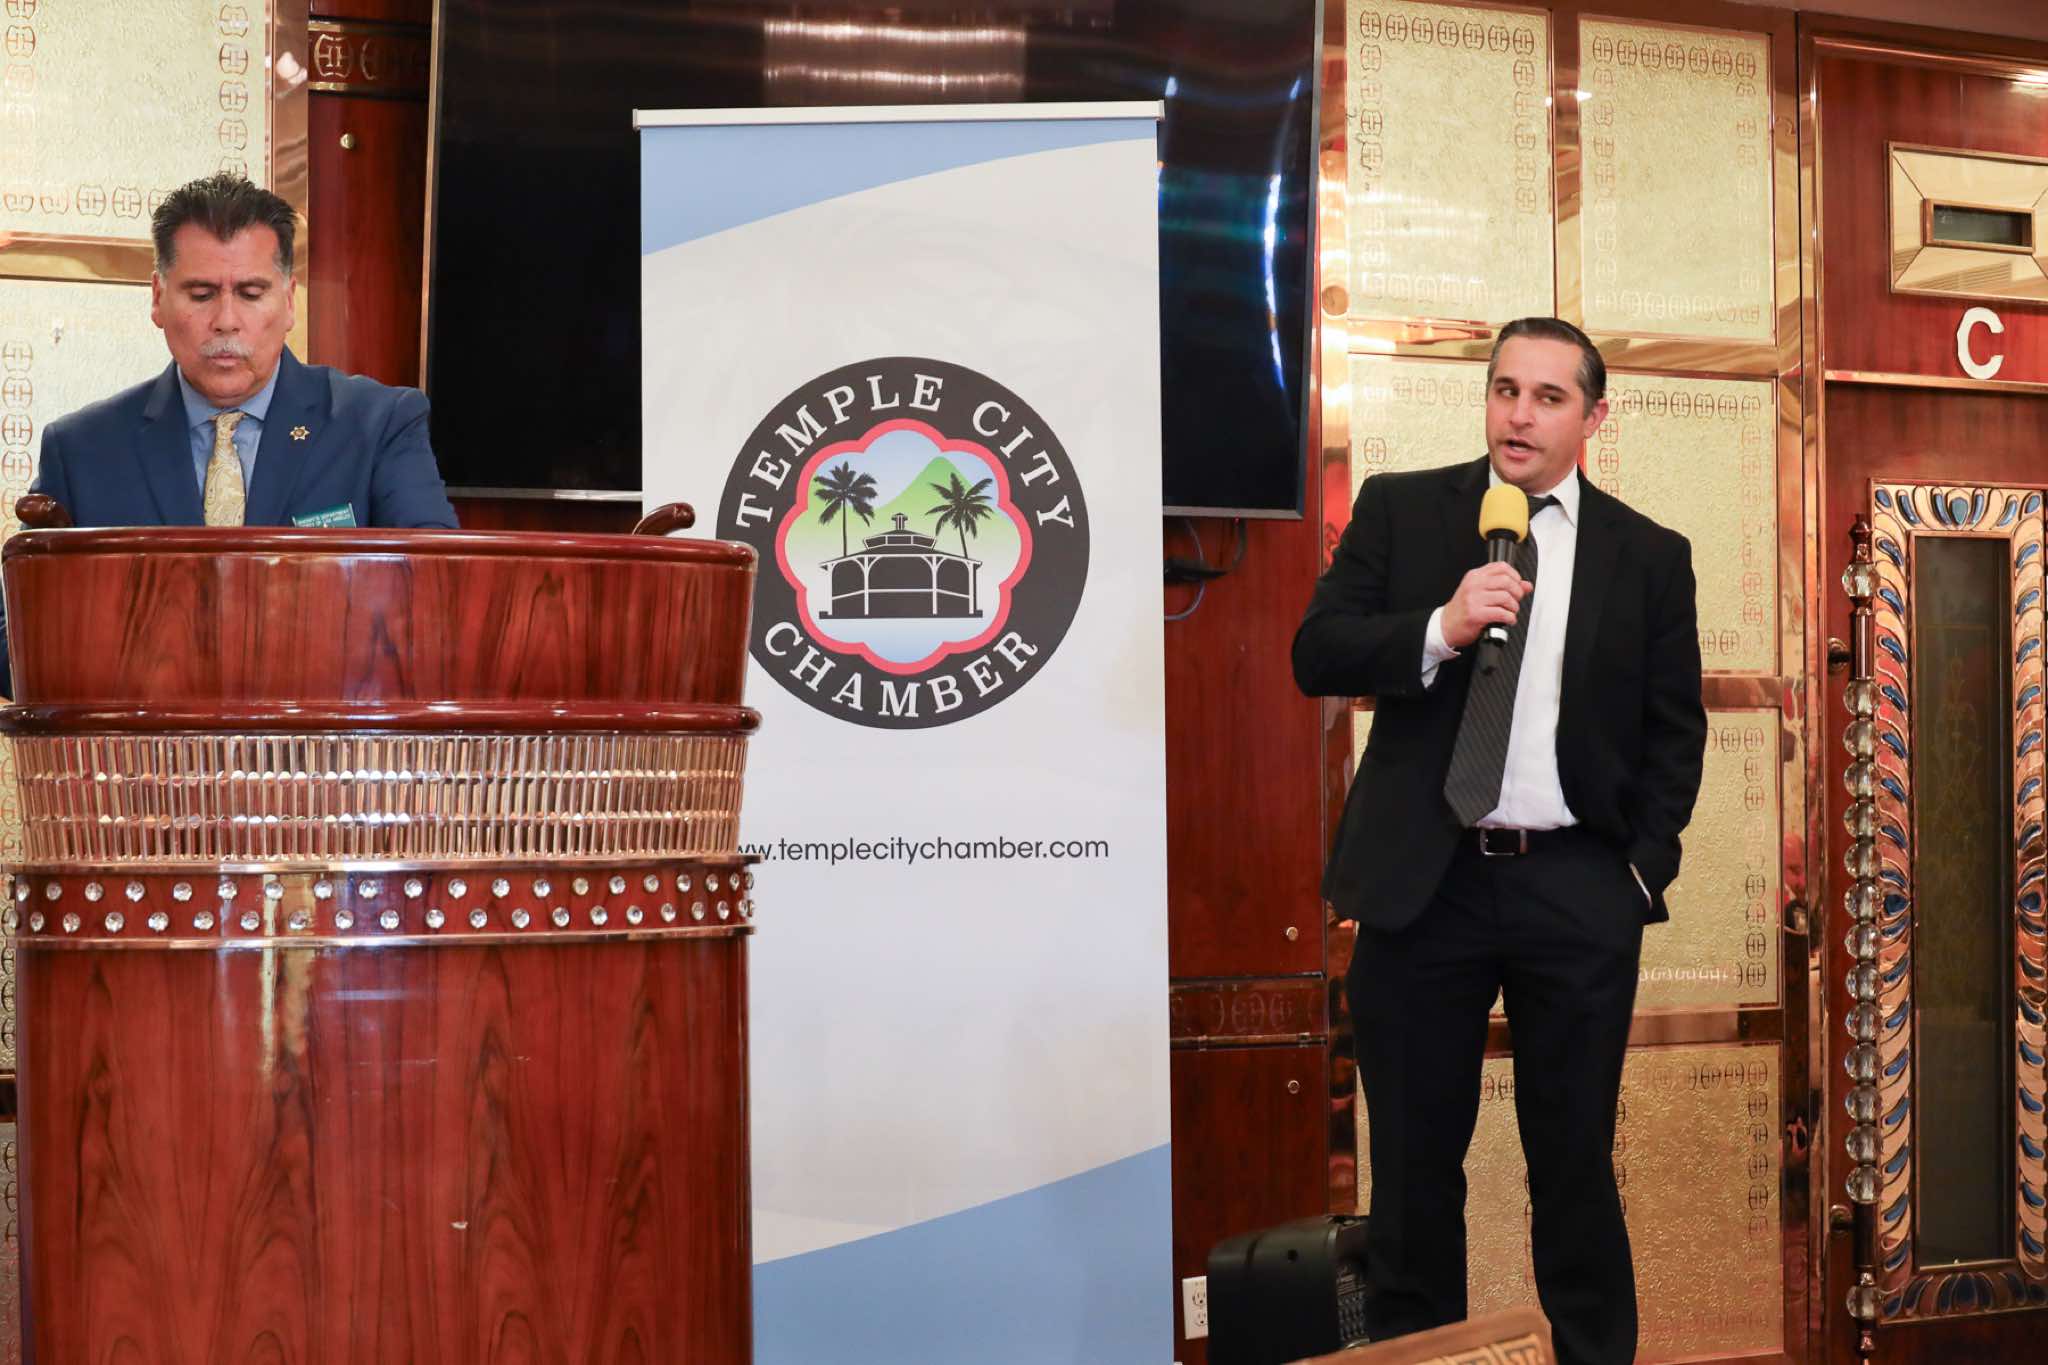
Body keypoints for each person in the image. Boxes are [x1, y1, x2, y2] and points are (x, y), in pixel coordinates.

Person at [1293, 317, 1706, 1365]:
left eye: (1547, 397)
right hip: (1422, 887)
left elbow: (1674, 734)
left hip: (1573, 889)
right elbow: (1317, 650)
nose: (1518, 415)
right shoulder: (1402, 508)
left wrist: (1635, 875)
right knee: (1413, 1172)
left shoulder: (1648, 556)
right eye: (1504, 390)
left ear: (1593, 417)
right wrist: (1439, 626)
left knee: (1573, 1166)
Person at [2, 172, 458, 694]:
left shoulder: (377, 425)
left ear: (289, 300)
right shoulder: (82, 450)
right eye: (201, 294)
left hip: (323, 738)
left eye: (250, 293)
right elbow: (17, 641)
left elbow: (440, 604)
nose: (226, 320)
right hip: (147, 740)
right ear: (158, 298)